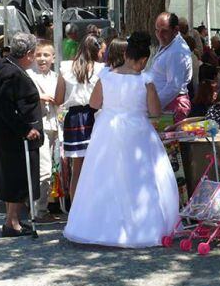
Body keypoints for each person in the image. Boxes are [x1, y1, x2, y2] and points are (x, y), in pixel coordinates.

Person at [64, 32, 178, 248]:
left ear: (126, 54)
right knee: (140, 177)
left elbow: (95, 103)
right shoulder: (146, 81)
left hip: (108, 128)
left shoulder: (106, 76)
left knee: (104, 174)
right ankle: (142, 225)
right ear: (144, 60)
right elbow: (155, 112)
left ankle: (100, 225)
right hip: (137, 130)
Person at [0, 33, 43, 237]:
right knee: (16, 176)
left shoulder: (3, 65)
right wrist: (25, 129)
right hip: (13, 134)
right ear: (29, 54)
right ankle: (12, 222)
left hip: (6, 132)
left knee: (10, 175)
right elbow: (5, 106)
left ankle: (11, 220)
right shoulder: (11, 72)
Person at [55, 34, 104, 202]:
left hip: (74, 117)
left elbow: (58, 99)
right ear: (97, 50)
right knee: (96, 165)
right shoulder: (101, 69)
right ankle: (93, 206)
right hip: (95, 116)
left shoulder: (66, 67)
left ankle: (75, 211)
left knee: (77, 168)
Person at [26, 41, 60, 223]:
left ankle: (42, 207)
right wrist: (40, 97)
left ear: (53, 58)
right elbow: (22, 95)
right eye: (39, 55)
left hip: (54, 125)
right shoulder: (29, 76)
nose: (42, 59)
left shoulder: (55, 76)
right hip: (39, 127)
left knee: (51, 168)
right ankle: (38, 210)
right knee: (44, 169)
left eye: (46, 55)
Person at [150, 12, 193, 123]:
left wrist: (153, 106)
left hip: (172, 106)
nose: (160, 34)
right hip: (166, 105)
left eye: (164, 31)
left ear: (175, 30)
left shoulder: (176, 52)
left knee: (167, 139)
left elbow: (173, 87)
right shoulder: (169, 44)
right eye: (157, 30)